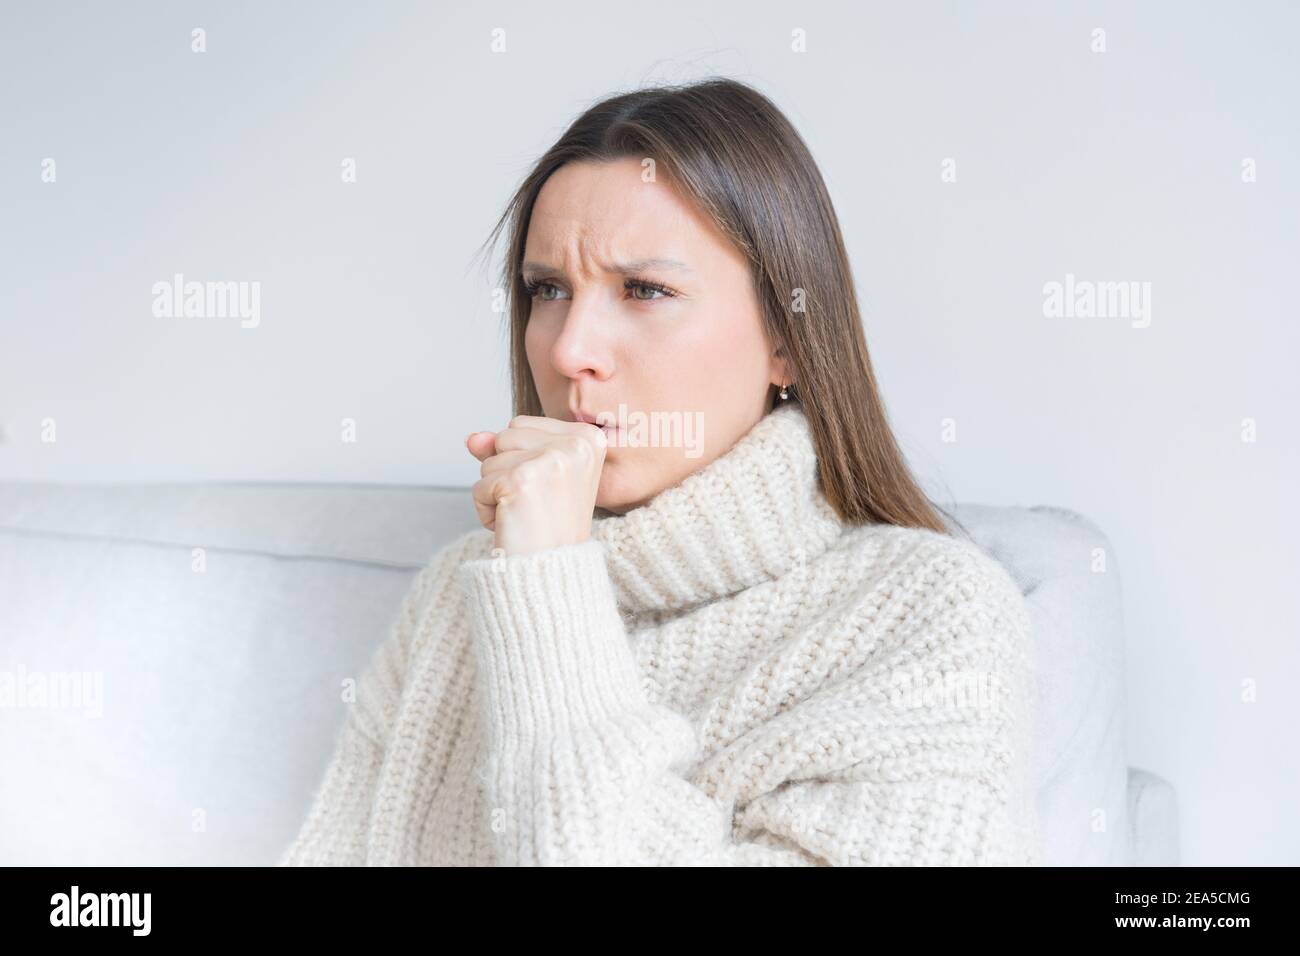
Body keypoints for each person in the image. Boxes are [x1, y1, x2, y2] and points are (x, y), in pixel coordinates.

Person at [278, 77, 1039, 866]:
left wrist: (548, 589)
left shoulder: (930, 612)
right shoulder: (459, 589)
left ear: (786, 338)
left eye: (645, 290)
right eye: (548, 290)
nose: (570, 350)